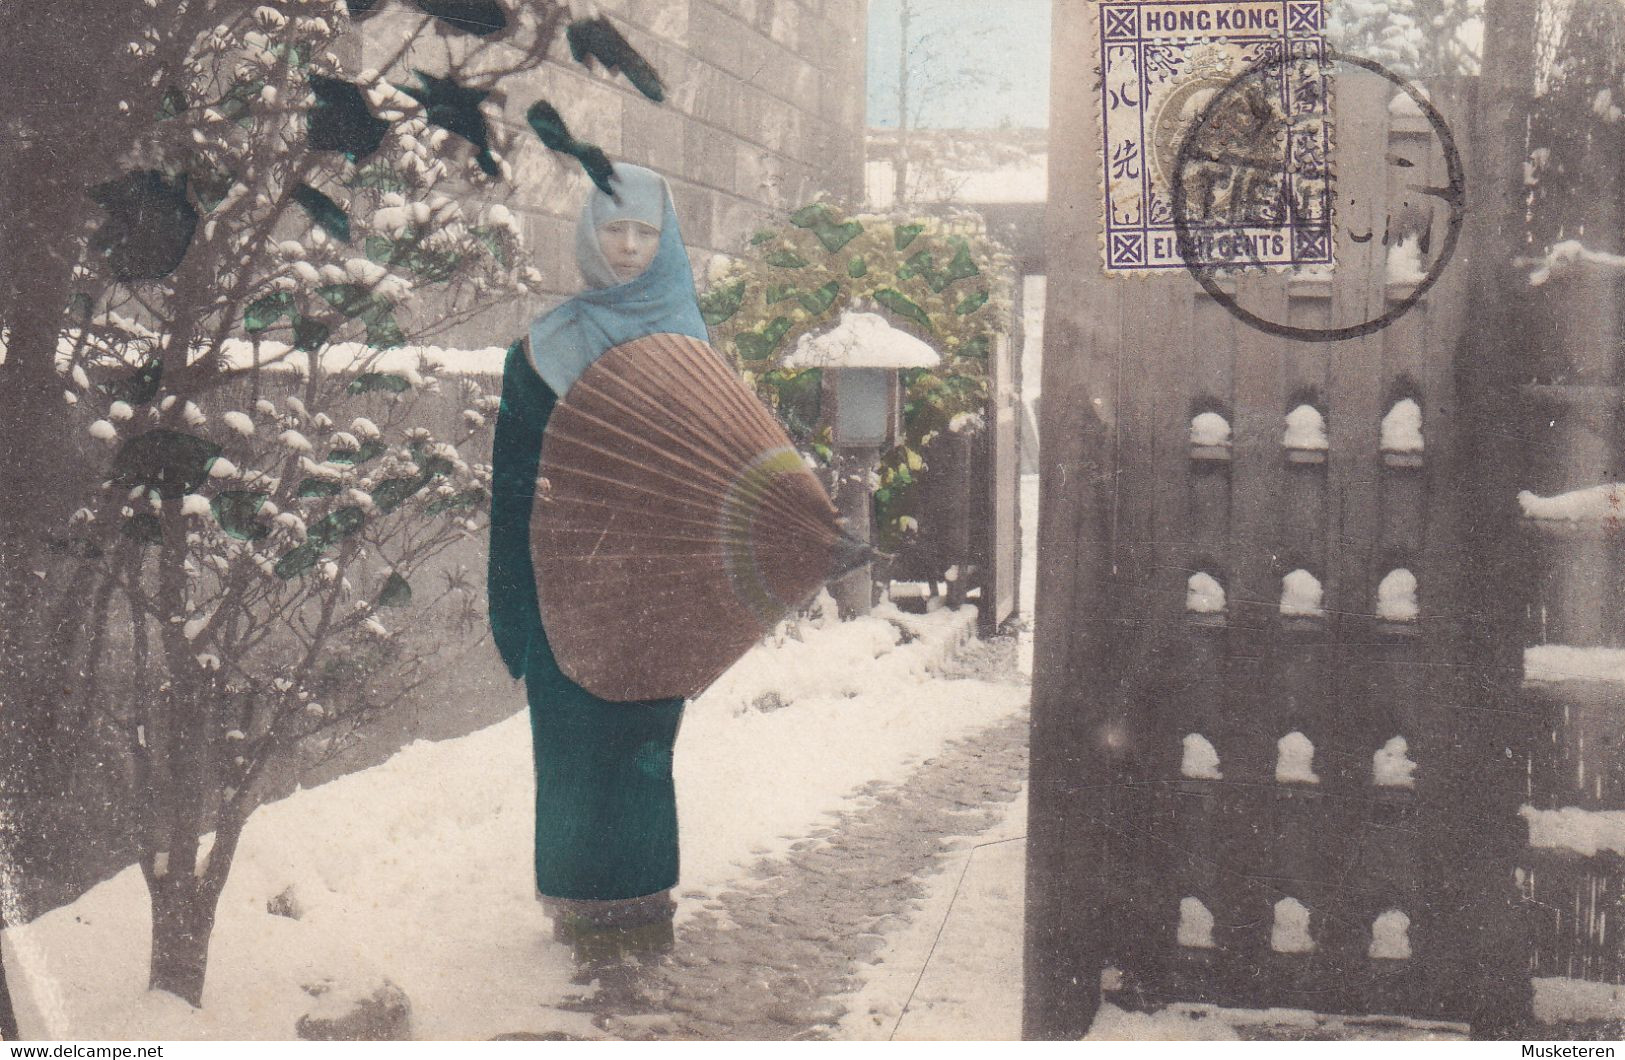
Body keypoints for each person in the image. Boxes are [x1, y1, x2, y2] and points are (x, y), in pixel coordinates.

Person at [487, 164, 708, 961]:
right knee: (574, 752)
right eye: (613, 227)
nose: (627, 246)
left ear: (666, 238)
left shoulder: (690, 345)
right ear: (587, 231)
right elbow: (512, 490)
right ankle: (579, 919)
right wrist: (512, 603)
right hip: (564, 586)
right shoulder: (542, 351)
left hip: (653, 595)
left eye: (645, 230)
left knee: (644, 753)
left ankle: (644, 910)